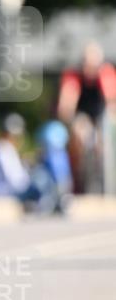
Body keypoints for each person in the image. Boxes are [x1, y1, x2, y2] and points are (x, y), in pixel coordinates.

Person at [57, 41, 116, 193]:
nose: (89, 69)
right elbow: (66, 106)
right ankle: (78, 175)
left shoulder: (106, 74)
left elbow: (112, 103)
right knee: (80, 131)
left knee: (104, 138)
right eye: (86, 64)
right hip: (81, 117)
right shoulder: (74, 76)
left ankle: (103, 177)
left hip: (101, 117)